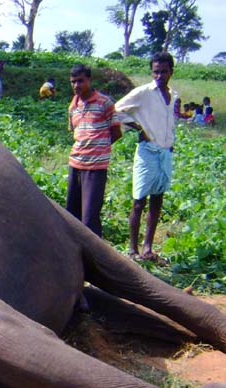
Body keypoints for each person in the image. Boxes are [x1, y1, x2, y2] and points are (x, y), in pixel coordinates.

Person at [114, 51, 179, 262]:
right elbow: (116, 110)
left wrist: (170, 142)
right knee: (138, 201)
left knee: (157, 199)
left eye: (164, 72)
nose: (159, 76)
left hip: (165, 152)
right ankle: (133, 250)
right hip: (147, 151)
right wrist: (138, 128)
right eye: (156, 72)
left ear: (171, 72)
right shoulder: (143, 93)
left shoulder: (173, 95)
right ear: (151, 72)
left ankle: (147, 247)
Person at [65, 64, 122, 237]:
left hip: (95, 167)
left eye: (80, 81)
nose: (76, 85)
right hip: (75, 163)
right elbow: (75, 132)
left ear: (89, 80)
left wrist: (99, 148)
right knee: (72, 213)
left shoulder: (104, 103)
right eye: (73, 82)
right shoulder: (73, 106)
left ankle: (94, 251)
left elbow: (116, 132)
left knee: (90, 217)